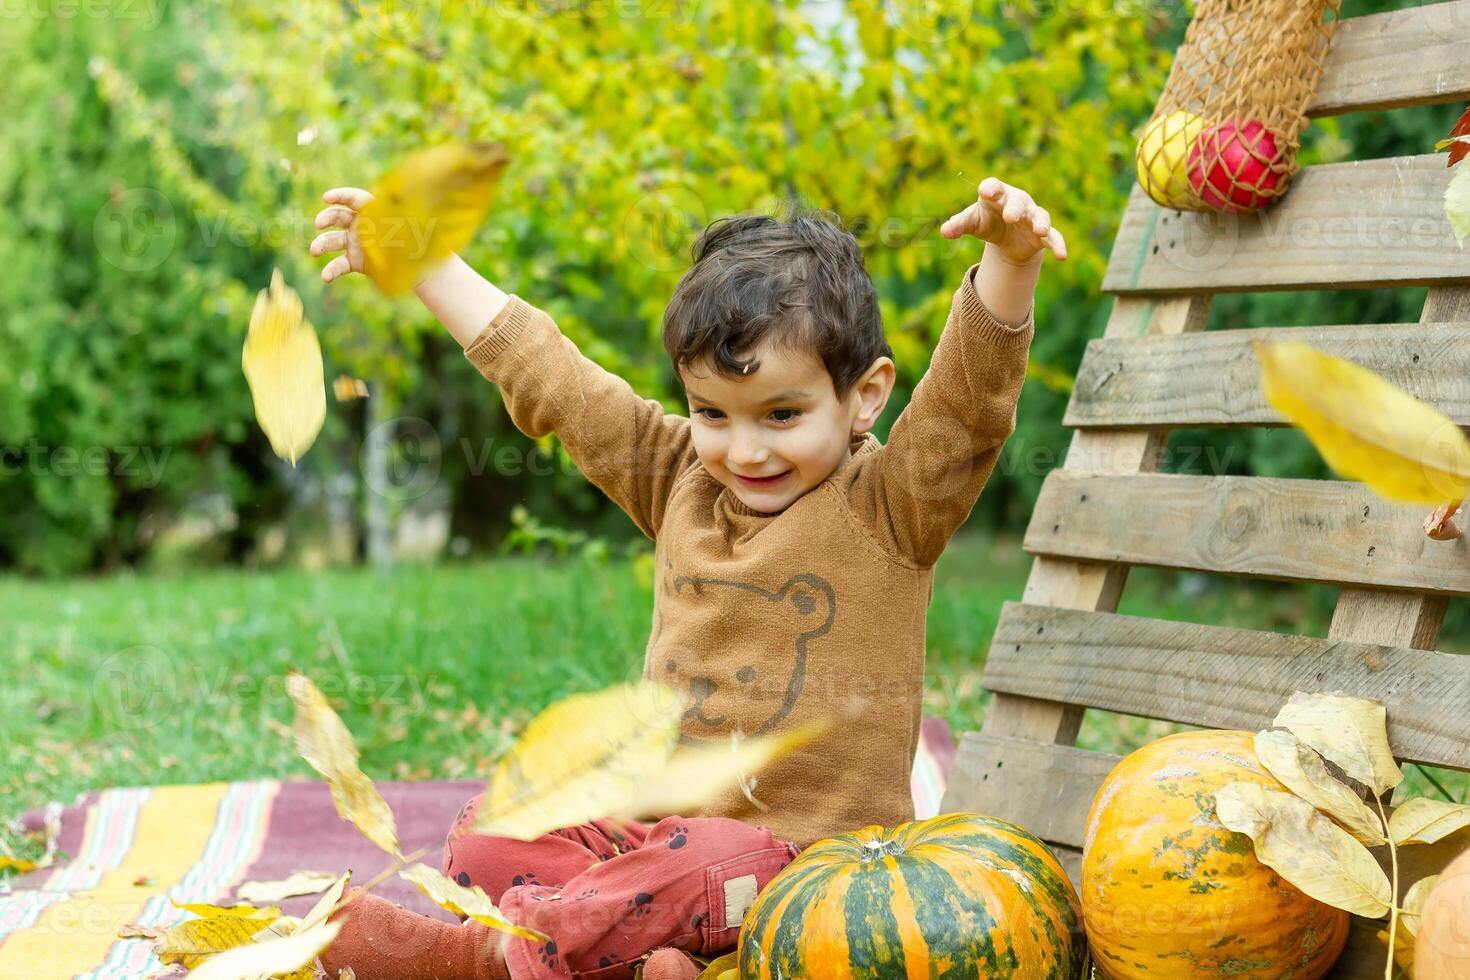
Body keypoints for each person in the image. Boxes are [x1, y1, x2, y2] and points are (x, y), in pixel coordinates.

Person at [306, 177, 1066, 979]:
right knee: (492, 831)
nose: (744, 450)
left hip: (808, 885)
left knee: (720, 856)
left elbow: (967, 410)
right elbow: (553, 382)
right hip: (651, 857)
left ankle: (481, 963)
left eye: (782, 415)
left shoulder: (891, 507)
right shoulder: (678, 481)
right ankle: (641, 964)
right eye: (713, 413)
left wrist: (1007, 264)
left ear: (865, 396)